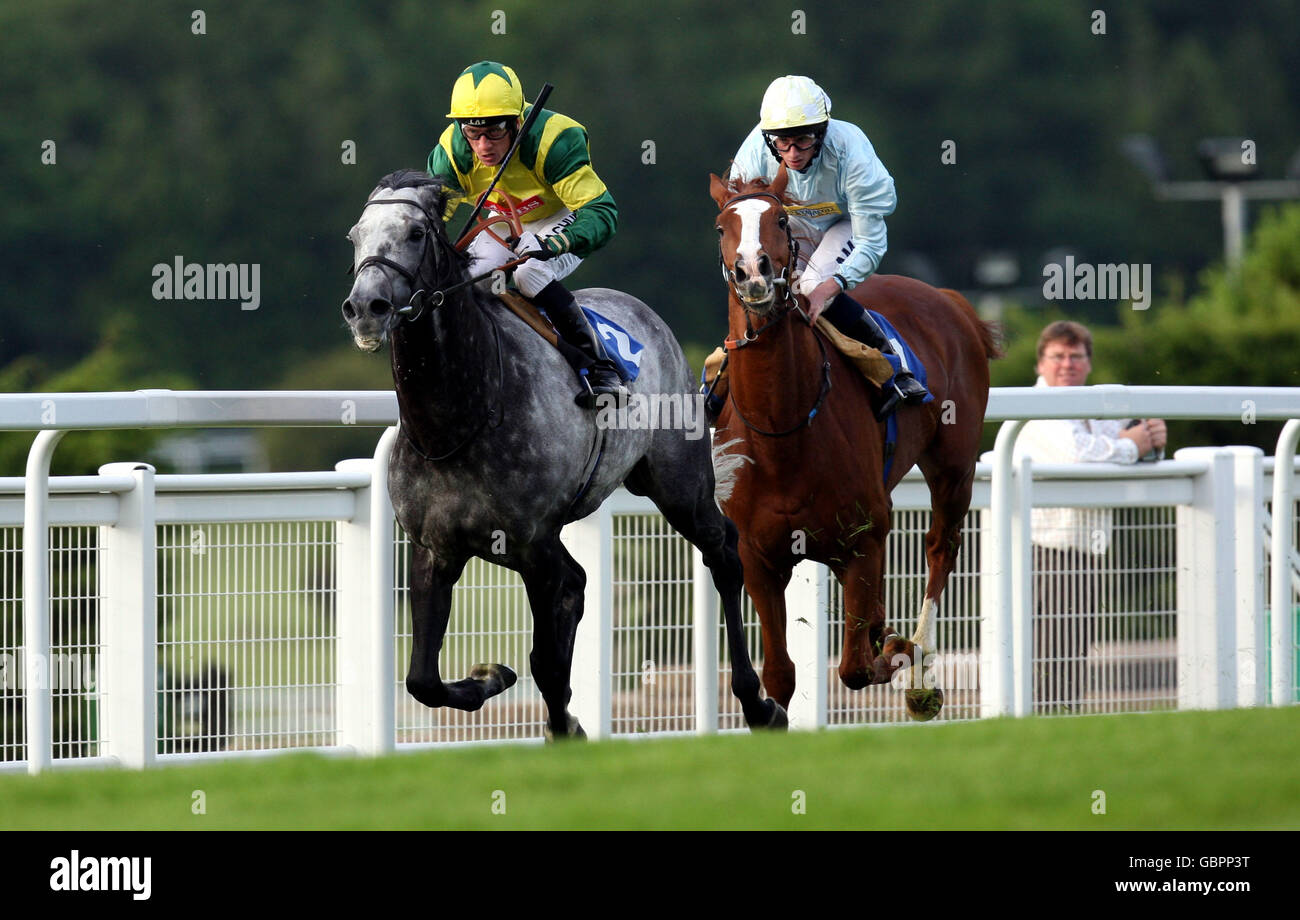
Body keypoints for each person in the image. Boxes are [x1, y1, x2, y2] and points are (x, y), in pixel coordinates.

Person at [427, 61, 625, 407]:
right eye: (473, 133)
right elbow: (431, 221)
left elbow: (603, 213)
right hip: (502, 219)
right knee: (463, 282)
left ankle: (600, 369)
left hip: (563, 215)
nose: (484, 145)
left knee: (528, 272)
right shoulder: (451, 153)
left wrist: (552, 245)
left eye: (495, 131)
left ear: (518, 121)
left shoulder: (556, 140)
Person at [728, 75, 928, 405]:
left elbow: (871, 243)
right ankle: (725, 377)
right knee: (766, 289)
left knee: (809, 289)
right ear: (768, 138)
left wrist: (829, 287)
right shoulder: (752, 154)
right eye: (782, 143)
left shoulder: (852, 154)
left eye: (803, 140)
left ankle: (891, 363)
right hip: (790, 223)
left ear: (822, 131)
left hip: (845, 223)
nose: (792, 153)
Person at [1015, 321, 1168, 712]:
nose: (1067, 364)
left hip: (1084, 549)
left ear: (1088, 363)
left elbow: (1121, 442)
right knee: (1050, 654)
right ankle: (1044, 726)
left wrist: (1149, 439)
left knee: (1073, 651)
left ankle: (1062, 724)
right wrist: (1133, 445)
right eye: (1058, 356)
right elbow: (1079, 455)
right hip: (1045, 549)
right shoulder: (1038, 405)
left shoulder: (1092, 406)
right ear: (1040, 364)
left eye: (1076, 356)